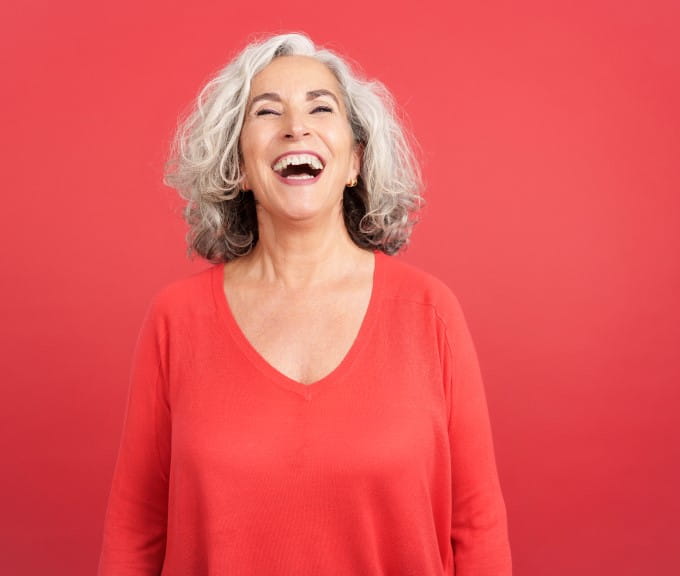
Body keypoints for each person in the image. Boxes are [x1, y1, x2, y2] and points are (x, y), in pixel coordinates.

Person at [98, 32, 512, 575]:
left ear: (355, 162)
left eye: (322, 107)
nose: (297, 125)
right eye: (267, 112)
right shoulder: (176, 320)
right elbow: (136, 534)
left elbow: (477, 528)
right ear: (238, 168)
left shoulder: (430, 313)